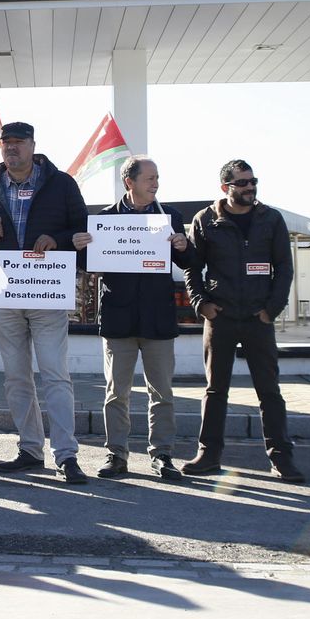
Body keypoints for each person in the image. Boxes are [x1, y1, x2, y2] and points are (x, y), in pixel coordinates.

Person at [0, 122, 90, 484]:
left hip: (48, 293)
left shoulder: (61, 183)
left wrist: (57, 239)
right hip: (4, 294)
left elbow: (83, 231)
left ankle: (66, 455)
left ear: (34, 145)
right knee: (17, 377)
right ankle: (30, 448)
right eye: (6, 143)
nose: (11, 149)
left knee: (54, 374)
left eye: (19, 143)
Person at [181, 160, 305, 482]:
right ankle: (208, 455)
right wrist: (202, 304)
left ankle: (281, 458)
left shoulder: (271, 218)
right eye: (243, 182)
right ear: (226, 188)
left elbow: (284, 269)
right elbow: (193, 267)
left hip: (257, 318)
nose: (250, 187)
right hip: (220, 318)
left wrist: (271, 310)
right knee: (215, 390)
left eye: (253, 181)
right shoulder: (205, 220)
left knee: (269, 391)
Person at [71, 156, 194, 481]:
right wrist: (79, 245)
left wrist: (183, 244)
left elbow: (189, 259)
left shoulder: (170, 217)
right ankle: (116, 455)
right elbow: (88, 261)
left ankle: (163, 455)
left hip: (158, 318)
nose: (155, 183)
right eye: (149, 178)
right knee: (116, 393)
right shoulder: (105, 219)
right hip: (119, 318)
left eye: (157, 178)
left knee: (163, 393)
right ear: (130, 182)